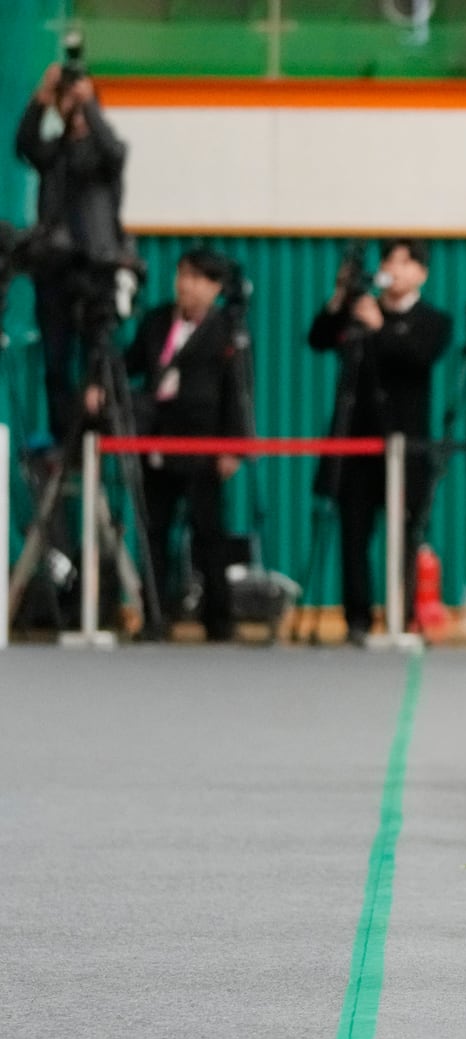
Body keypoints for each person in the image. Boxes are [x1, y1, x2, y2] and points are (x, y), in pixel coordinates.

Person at [101, 247, 250, 641]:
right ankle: (154, 616)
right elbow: (128, 365)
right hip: (158, 440)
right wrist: (102, 383)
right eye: (182, 274)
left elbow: (237, 392)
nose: (186, 284)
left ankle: (218, 620)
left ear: (215, 287)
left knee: (209, 534)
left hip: (204, 446)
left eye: (197, 278)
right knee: (154, 531)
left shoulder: (226, 331)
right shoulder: (154, 322)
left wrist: (234, 447)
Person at [307, 239, 451, 644]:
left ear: (421, 273)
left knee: (406, 534)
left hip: (405, 447)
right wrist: (340, 297)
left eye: (405, 263)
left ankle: (402, 617)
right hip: (356, 444)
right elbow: (318, 338)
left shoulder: (432, 320)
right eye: (389, 260)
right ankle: (357, 620)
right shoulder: (360, 310)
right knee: (353, 534)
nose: (395, 269)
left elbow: (417, 356)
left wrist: (379, 328)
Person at [14, 61, 130, 443]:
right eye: (70, 105)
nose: (76, 113)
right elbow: (25, 144)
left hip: (96, 269)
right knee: (56, 360)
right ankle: (64, 437)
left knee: (98, 357)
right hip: (54, 269)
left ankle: (96, 428)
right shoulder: (54, 154)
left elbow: (112, 150)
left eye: (83, 105)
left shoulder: (105, 156)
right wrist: (41, 98)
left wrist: (88, 100)